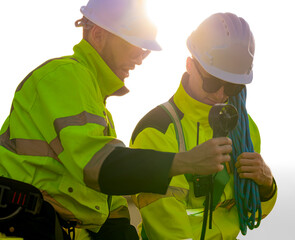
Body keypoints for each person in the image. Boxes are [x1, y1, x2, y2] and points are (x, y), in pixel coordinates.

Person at [0, 1, 233, 239]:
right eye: (136, 46)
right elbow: (101, 166)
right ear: (98, 34)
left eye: (146, 51)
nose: (141, 58)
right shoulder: (64, 77)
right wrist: (186, 162)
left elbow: (106, 200)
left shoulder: (95, 103)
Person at [130, 12, 278, 240]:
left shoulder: (246, 127)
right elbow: (167, 227)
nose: (221, 94)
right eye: (212, 82)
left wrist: (266, 184)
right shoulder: (156, 130)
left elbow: (250, 211)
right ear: (190, 65)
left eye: (232, 88)